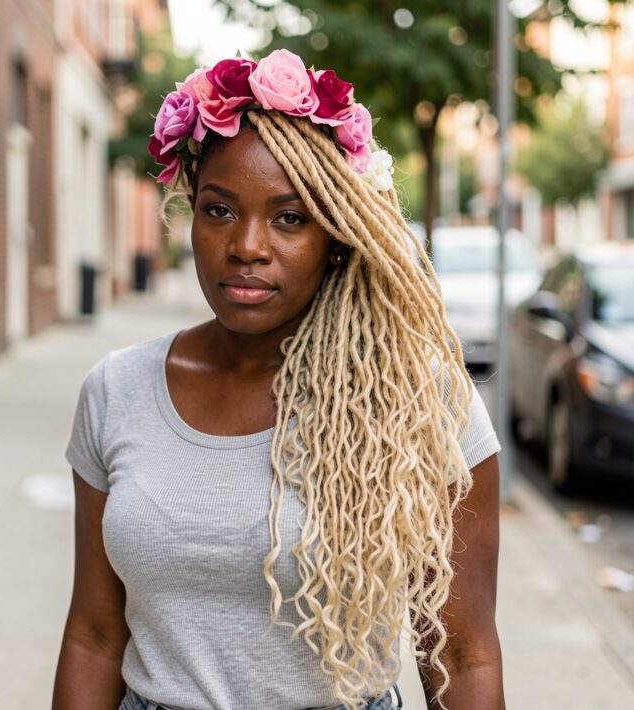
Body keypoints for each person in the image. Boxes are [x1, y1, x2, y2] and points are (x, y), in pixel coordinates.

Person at [53, 50, 505, 710]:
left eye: (290, 218)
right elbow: (93, 637)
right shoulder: (116, 392)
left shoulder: (417, 400)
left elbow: (464, 657)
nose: (247, 247)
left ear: (336, 237)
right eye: (219, 210)